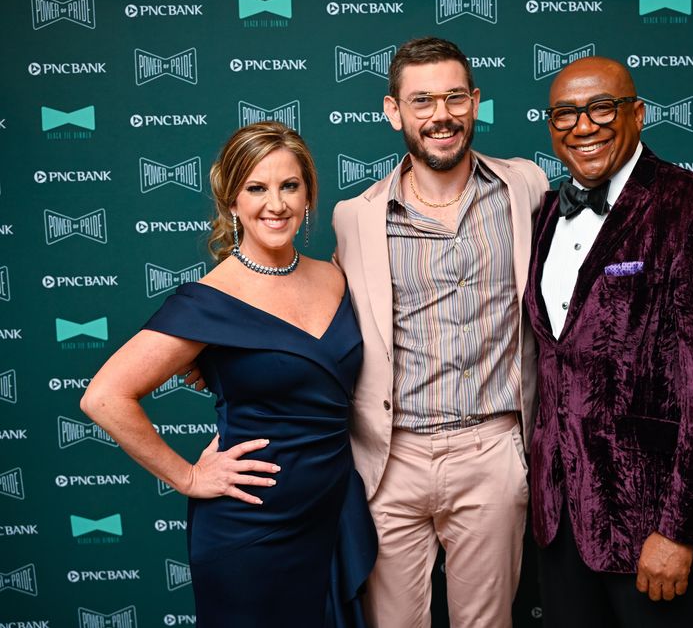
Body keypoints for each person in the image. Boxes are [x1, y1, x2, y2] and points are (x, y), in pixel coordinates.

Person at [80, 122, 376, 628]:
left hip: (333, 512)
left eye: (289, 186)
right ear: (231, 202)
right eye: (256, 188)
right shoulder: (208, 301)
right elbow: (104, 397)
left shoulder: (334, 277)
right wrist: (189, 477)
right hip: (250, 529)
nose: (276, 204)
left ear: (308, 195)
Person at [525, 57, 693, 627]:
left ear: (638, 113)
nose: (583, 126)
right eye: (565, 114)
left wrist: (679, 529)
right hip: (559, 521)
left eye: (601, 108)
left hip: (648, 520)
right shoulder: (546, 215)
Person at [331, 37, 549, 628]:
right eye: (421, 100)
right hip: (390, 459)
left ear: (475, 102)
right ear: (393, 111)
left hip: (491, 451)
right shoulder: (357, 217)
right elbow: (319, 310)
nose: (441, 115)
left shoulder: (524, 188)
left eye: (454, 97)